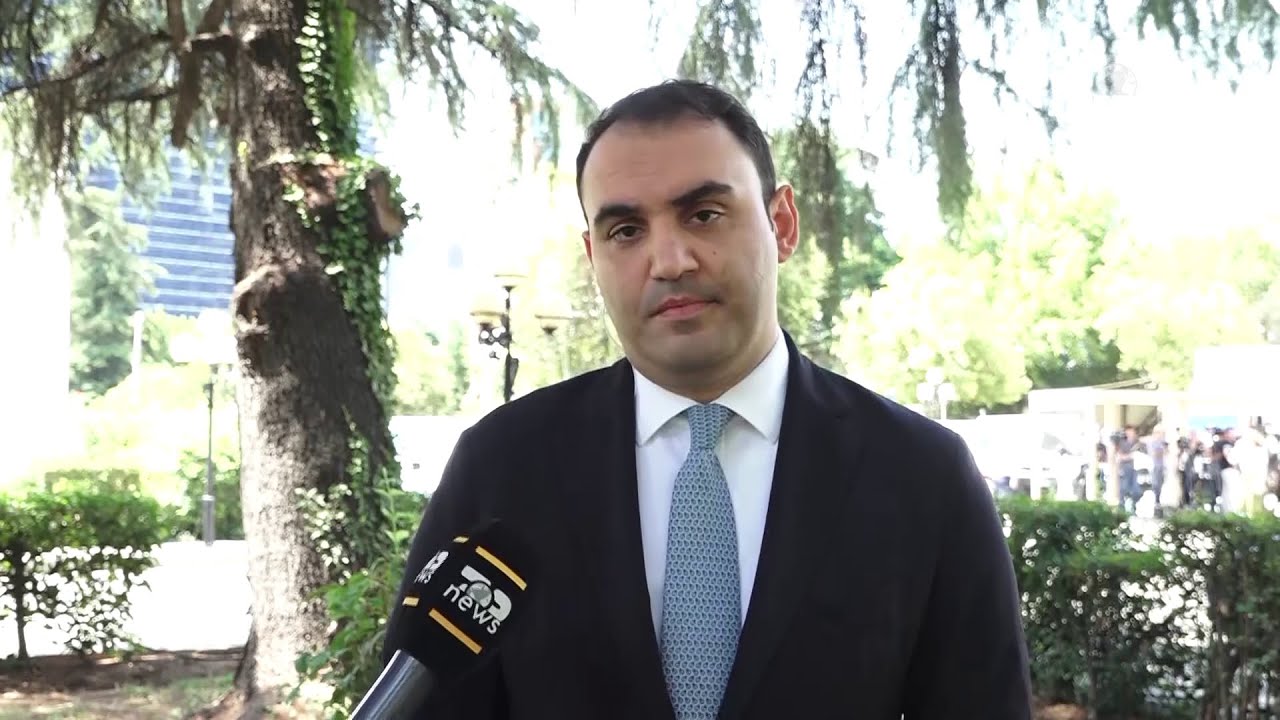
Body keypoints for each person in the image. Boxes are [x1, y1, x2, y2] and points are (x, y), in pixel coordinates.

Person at [384, 79, 1032, 719]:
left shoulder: (923, 477)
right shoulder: (502, 467)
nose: (669, 260)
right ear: (593, 257)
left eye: (703, 215)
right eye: (626, 230)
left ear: (782, 224)